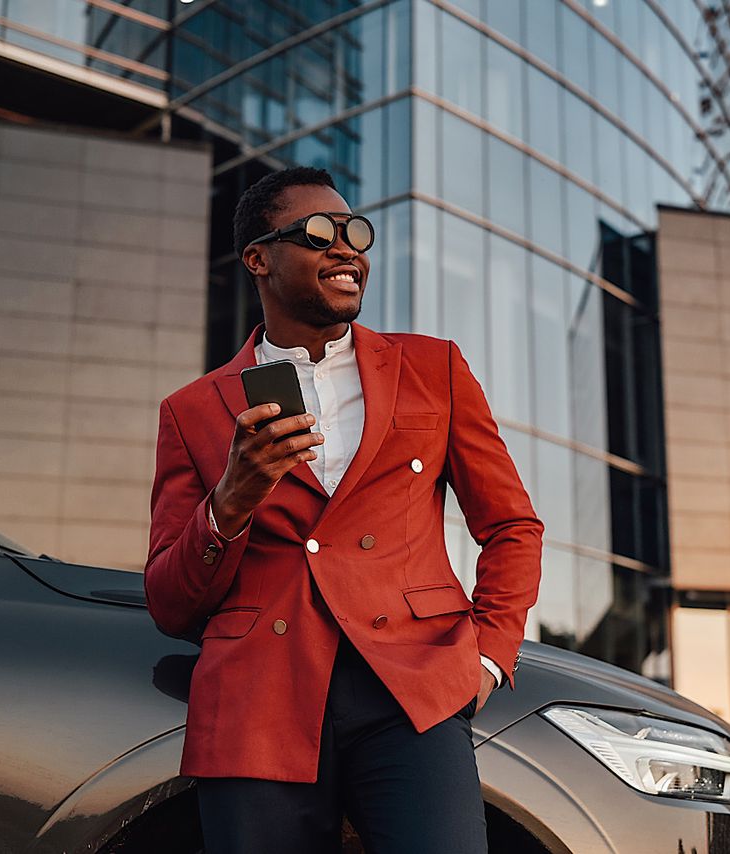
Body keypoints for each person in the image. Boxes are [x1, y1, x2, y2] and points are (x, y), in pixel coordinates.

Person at [142, 166, 544, 853]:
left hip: (412, 692)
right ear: (258, 258)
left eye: (356, 233)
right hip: (255, 703)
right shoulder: (192, 411)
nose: (347, 249)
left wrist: (486, 658)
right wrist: (229, 503)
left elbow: (512, 526)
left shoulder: (435, 368)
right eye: (320, 233)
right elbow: (170, 604)